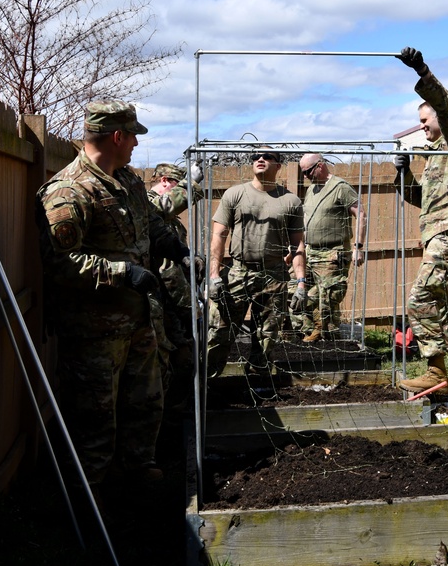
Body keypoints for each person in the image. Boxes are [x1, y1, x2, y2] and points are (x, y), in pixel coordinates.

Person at [36, 100, 190, 489]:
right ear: (117, 136)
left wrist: (168, 243)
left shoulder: (129, 180)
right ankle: (93, 505)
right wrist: (124, 273)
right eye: (134, 136)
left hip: (139, 320)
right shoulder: (69, 190)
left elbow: (148, 222)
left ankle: (139, 476)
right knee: (95, 421)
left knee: (145, 404)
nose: (137, 144)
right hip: (94, 332)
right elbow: (63, 263)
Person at [394, 47, 448, 393]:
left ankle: (435, 370)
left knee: (420, 295)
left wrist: (423, 72)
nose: (422, 127)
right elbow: (421, 200)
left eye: (425, 120)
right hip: (439, 231)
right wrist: (403, 177)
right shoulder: (432, 157)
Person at [205, 150, 306, 377]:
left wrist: (300, 283)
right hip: (238, 273)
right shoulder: (235, 194)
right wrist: (214, 276)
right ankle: (206, 385)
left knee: (267, 335)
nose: (260, 160)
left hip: (274, 275)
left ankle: (256, 384)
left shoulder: (290, 201)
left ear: (278, 165)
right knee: (220, 330)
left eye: (267, 157)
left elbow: (298, 245)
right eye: (255, 157)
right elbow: (218, 235)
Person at [148, 161, 205, 406]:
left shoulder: (168, 219)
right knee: (169, 359)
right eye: (175, 184)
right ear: (164, 182)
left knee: (185, 355)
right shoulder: (147, 204)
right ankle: (172, 414)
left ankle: (181, 408)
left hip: (176, 299)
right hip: (161, 298)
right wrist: (190, 184)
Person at [297, 153, 368, 342]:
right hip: (310, 252)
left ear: (320, 165)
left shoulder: (340, 188)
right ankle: (313, 331)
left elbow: (360, 214)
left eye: (308, 171)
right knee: (300, 294)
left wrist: (358, 247)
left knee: (328, 297)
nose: (305, 176)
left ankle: (328, 339)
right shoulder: (312, 189)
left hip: (332, 253)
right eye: (303, 172)